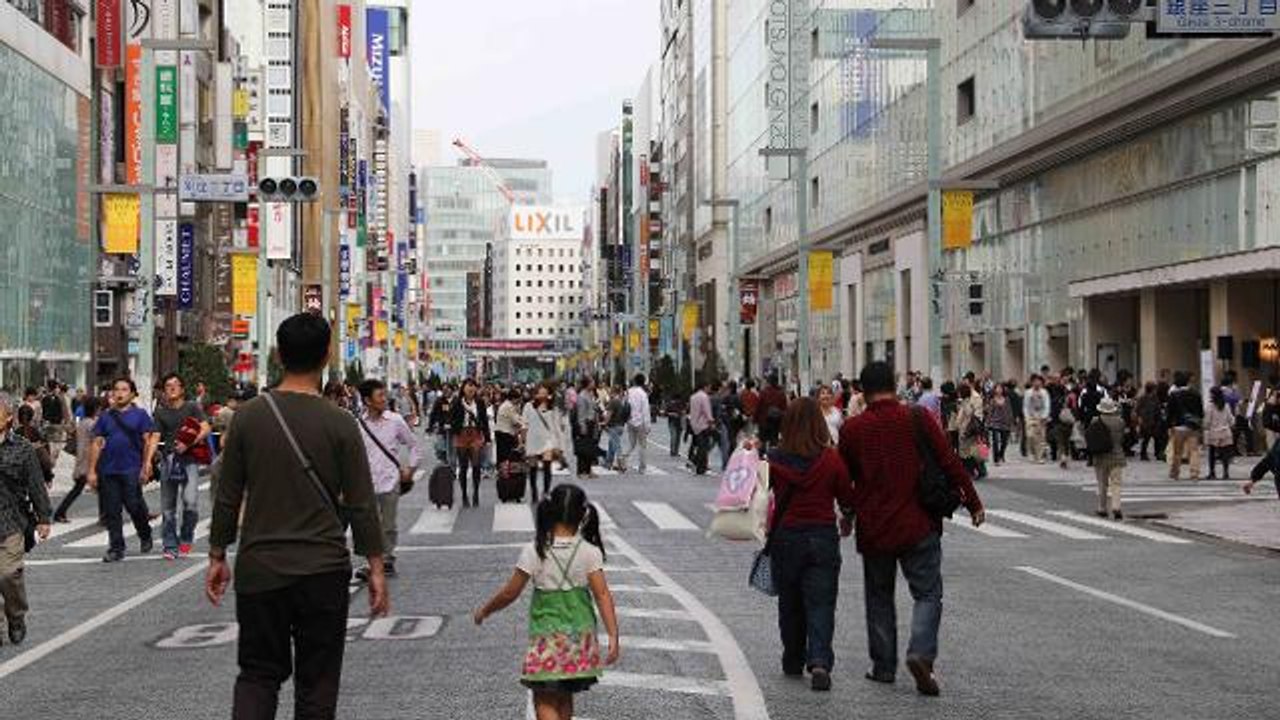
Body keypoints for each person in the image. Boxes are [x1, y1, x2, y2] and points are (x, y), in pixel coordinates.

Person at [206, 313, 388, 718]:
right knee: (318, 681)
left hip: (260, 567)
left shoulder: (249, 417)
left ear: (278, 354)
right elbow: (361, 503)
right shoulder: (341, 423)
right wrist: (375, 565)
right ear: (326, 355)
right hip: (323, 569)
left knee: (257, 674)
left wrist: (217, 553)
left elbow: (227, 496)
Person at [837, 362, 984, 697]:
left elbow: (845, 480)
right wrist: (973, 501)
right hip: (918, 523)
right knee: (928, 593)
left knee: (879, 597)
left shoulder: (853, 429)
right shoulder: (916, 418)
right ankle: (920, 652)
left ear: (863, 390)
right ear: (895, 383)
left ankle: (883, 667)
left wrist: (848, 513)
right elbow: (949, 462)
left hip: (875, 528)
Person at [473, 483, 619, 720]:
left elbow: (510, 593)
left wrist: (485, 610)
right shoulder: (589, 552)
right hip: (580, 640)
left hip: (547, 639)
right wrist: (613, 636)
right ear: (583, 515)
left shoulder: (535, 550)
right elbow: (603, 595)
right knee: (564, 697)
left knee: (543, 698)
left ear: (549, 512)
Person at [767, 397, 856, 691]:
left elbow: (752, 489)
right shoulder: (830, 459)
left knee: (790, 602)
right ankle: (819, 661)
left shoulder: (775, 459)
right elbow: (845, 494)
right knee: (821, 603)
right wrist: (847, 518)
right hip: (821, 536)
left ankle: (793, 657)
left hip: (787, 537)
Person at [355, 379, 422, 579]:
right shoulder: (358, 424)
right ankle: (372, 563)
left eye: (385, 395)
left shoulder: (395, 421)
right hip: (366, 482)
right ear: (367, 400)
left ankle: (387, 559)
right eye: (380, 396)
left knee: (388, 524)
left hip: (390, 481)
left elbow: (414, 445)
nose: (384, 399)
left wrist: (410, 469)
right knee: (369, 525)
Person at [0, 392, 53, 645]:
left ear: (8, 417)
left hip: (11, 522)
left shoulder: (21, 448)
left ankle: (16, 615)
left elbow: (36, 484)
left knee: (8, 574)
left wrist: (44, 517)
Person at [86, 377, 157, 563]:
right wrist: (92, 470)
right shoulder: (106, 416)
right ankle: (116, 548)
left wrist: (146, 465)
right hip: (108, 470)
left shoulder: (140, 415)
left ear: (132, 393)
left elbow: (147, 441)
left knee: (134, 504)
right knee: (112, 510)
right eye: (116, 389)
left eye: (124, 389)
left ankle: (145, 532)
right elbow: (96, 442)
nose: (119, 393)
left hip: (131, 468)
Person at [152, 373, 211, 560]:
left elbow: (206, 427)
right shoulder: (160, 412)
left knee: (191, 502)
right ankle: (170, 545)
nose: (171, 388)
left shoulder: (192, 407)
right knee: (168, 507)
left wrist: (190, 443)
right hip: (169, 460)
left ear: (182, 389)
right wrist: (147, 461)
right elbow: (155, 436)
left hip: (190, 460)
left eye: (175, 385)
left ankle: (186, 536)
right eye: (168, 385)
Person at [54, 396, 101, 523]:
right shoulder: (92, 424)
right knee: (100, 489)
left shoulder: (83, 423)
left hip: (81, 460)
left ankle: (60, 512)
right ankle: (60, 513)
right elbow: (96, 443)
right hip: (88, 462)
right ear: (96, 409)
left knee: (82, 489)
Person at [451, 379, 491, 508]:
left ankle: (475, 493)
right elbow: (451, 418)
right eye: (468, 386)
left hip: (475, 434)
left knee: (476, 464)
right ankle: (464, 494)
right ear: (463, 388)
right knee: (463, 466)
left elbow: (484, 420)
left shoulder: (479, 402)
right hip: (461, 434)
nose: (471, 389)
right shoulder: (457, 402)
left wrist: (488, 437)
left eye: (473, 387)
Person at [523, 385, 564, 502]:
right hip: (532, 439)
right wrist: (523, 440)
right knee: (533, 467)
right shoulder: (528, 406)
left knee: (547, 465)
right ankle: (534, 491)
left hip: (548, 440)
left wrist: (559, 443)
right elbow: (524, 424)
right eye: (540, 393)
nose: (542, 396)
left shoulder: (553, 408)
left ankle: (546, 491)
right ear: (535, 394)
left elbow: (557, 426)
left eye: (545, 393)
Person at [1091, 398, 1128, 520]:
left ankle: (1102, 508)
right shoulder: (1120, 422)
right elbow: (1122, 438)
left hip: (1100, 456)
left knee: (1102, 483)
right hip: (1117, 455)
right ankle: (1116, 506)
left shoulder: (1095, 420)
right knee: (1116, 482)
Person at [1166, 371, 1203, 481]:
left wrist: (1169, 426)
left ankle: (1175, 473)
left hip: (1178, 426)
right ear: (1187, 382)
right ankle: (1194, 473)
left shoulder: (1174, 395)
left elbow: (1170, 412)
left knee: (1178, 452)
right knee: (1194, 450)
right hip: (1193, 426)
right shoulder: (1196, 393)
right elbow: (1200, 412)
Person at [616, 374, 651, 474]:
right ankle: (642, 467)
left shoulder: (629, 392)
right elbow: (645, 410)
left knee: (631, 444)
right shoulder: (643, 394)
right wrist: (647, 425)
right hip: (640, 422)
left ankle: (622, 458)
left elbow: (624, 404)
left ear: (634, 381)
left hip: (630, 421)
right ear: (643, 382)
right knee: (642, 445)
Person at [1204, 386, 1236, 481]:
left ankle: (1212, 473)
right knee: (1225, 454)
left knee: (1212, 453)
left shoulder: (1210, 406)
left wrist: (1205, 427)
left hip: (1214, 433)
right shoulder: (1226, 405)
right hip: (1225, 432)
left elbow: (1207, 421)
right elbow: (1231, 420)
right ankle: (1226, 473)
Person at [39, 379, 71, 470]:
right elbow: (65, 412)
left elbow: (65, 412)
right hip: (52, 424)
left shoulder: (58, 398)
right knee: (53, 445)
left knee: (54, 445)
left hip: (53, 424)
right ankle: (50, 461)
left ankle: (51, 461)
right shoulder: (47, 398)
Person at [573, 377, 600, 478]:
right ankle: (581, 471)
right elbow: (581, 412)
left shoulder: (590, 394)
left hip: (592, 424)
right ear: (587, 384)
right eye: (592, 382)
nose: (594, 383)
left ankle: (588, 470)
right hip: (585, 423)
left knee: (590, 448)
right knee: (583, 448)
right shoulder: (582, 396)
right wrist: (582, 425)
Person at [688, 380, 715, 474]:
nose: (709, 389)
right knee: (704, 447)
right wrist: (711, 421)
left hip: (695, 424)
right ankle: (700, 466)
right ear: (705, 387)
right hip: (703, 424)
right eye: (709, 387)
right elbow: (707, 411)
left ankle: (700, 465)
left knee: (700, 446)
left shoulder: (693, 397)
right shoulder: (704, 397)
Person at [756, 375, 788, 454]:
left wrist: (755, 419)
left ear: (768, 382)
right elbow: (785, 408)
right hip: (776, 422)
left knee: (762, 439)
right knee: (774, 440)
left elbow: (758, 406)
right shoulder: (781, 393)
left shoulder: (763, 392)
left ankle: (761, 456)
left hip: (764, 421)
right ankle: (772, 458)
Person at [495, 388, 526, 467]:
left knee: (502, 454)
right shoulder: (509, 406)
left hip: (501, 433)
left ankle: (502, 471)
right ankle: (505, 472)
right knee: (506, 455)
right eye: (518, 399)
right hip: (505, 434)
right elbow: (516, 421)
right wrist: (525, 423)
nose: (519, 401)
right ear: (514, 398)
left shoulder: (506, 405)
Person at [1024, 375, 1050, 463]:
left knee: (1041, 437)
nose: (1037, 383)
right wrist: (1027, 417)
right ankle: (1031, 453)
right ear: (1032, 382)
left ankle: (1040, 457)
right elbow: (1025, 406)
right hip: (1031, 417)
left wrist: (1045, 416)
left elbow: (1047, 405)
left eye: (1039, 381)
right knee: (1030, 436)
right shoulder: (1028, 392)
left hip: (1041, 416)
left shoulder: (1044, 392)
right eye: (1035, 381)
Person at [985, 384, 1014, 466]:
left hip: (1005, 423)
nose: (999, 390)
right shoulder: (992, 400)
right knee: (995, 441)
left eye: (1000, 388)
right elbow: (990, 412)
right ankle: (996, 459)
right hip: (995, 423)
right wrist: (987, 422)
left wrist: (1011, 422)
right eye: (997, 388)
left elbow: (1009, 411)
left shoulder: (1007, 399)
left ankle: (1001, 454)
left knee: (1004, 441)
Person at [603, 386, 628, 470]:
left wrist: (604, 423)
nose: (609, 393)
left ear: (613, 392)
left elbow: (609, 414)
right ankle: (608, 462)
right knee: (611, 444)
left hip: (614, 426)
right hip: (621, 425)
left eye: (610, 391)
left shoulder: (613, 401)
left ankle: (622, 464)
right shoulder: (621, 401)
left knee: (617, 445)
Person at [662, 390, 687, 458]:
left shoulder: (680, 403)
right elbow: (666, 413)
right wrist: (673, 414)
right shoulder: (672, 404)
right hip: (674, 422)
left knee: (676, 437)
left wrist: (682, 413)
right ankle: (673, 451)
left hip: (676, 422)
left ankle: (675, 451)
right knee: (675, 436)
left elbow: (665, 413)